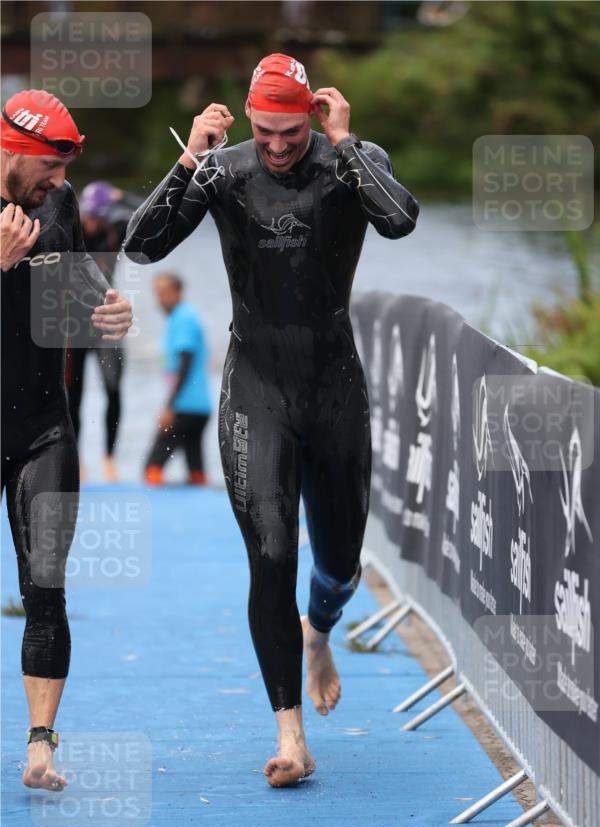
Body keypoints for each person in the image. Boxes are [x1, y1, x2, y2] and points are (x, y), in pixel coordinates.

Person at [124, 53, 419, 786]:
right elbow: (140, 243)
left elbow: (401, 221)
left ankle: (318, 633)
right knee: (270, 555)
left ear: (312, 117)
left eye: (289, 132)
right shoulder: (222, 171)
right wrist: (191, 154)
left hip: (332, 385)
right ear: (247, 119)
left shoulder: (349, 161)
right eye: (264, 132)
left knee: (341, 562)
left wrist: (347, 145)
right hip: (255, 385)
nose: (277, 145)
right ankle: (290, 737)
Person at [1, 90, 133, 790]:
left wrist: (104, 309)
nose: (57, 185)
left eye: (63, 173)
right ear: (13, 151)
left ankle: (40, 745)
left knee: (44, 587)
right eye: (48, 170)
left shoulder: (59, 201)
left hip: (42, 425)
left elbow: (74, 283)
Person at [65, 181, 142, 482]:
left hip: (106, 322)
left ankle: (109, 458)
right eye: (90, 214)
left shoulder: (115, 229)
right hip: (72, 324)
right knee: (74, 396)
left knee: (113, 388)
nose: (94, 221)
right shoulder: (70, 229)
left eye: (100, 215)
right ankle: (77, 460)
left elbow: (148, 213)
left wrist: (121, 195)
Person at [144, 272, 211, 485]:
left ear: (179, 292)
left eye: (165, 292)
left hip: (185, 406)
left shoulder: (183, 318)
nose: (160, 298)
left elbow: (185, 363)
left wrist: (170, 406)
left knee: (152, 466)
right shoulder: (181, 317)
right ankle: (201, 498)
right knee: (195, 467)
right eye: (157, 292)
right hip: (200, 406)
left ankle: (157, 513)